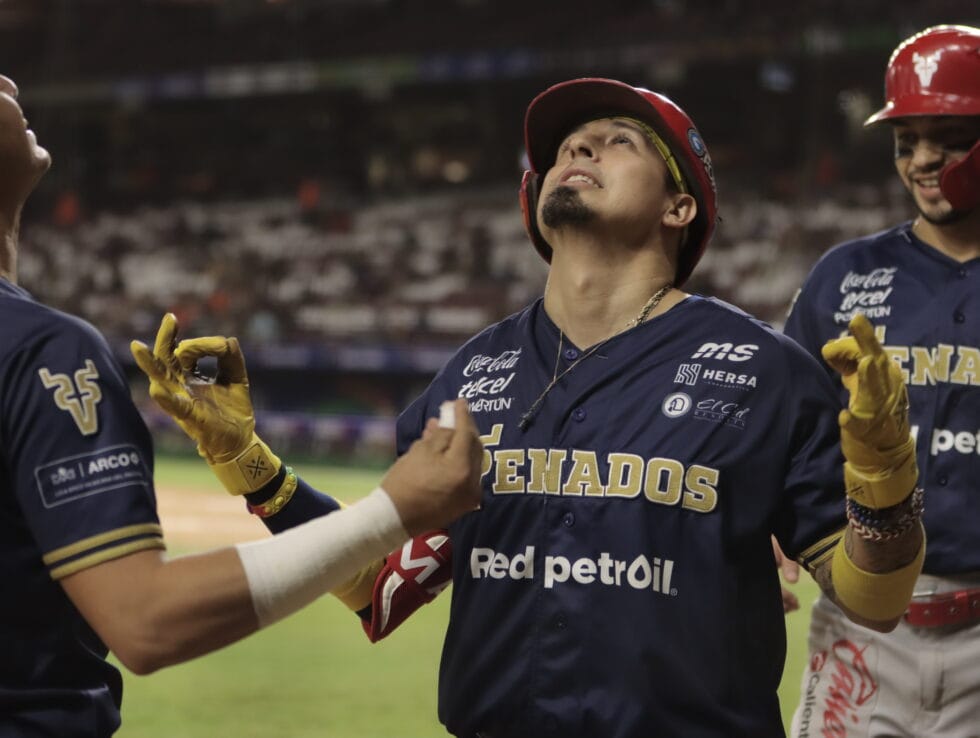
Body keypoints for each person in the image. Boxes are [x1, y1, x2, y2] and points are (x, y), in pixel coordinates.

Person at [148, 77, 926, 738]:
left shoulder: (767, 371)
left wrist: (885, 476)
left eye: (616, 140)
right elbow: (382, 588)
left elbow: (875, 599)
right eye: (566, 147)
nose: (577, 151)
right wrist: (247, 462)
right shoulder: (472, 373)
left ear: (679, 207)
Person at [0, 74, 483, 738]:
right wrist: (392, 510)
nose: (8, 80)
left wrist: (249, 463)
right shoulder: (41, 349)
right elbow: (144, 619)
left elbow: (380, 589)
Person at [783, 25, 980, 738]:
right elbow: (783, 427)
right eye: (906, 140)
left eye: (950, 136)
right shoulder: (846, 275)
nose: (924, 159)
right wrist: (766, 530)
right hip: (863, 629)